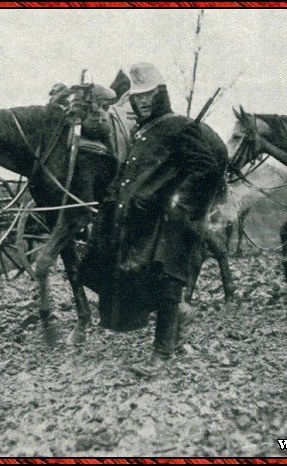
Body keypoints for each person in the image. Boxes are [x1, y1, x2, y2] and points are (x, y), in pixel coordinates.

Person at [82, 62, 227, 376]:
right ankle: (180, 317)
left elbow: (207, 168)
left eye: (149, 95)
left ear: (160, 94)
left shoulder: (178, 127)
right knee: (134, 276)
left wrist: (180, 201)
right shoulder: (141, 130)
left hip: (170, 220)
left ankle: (161, 355)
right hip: (138, 220)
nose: (143, 101)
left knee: (167, 280)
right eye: (138, 96)